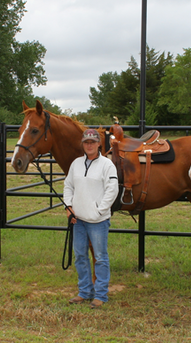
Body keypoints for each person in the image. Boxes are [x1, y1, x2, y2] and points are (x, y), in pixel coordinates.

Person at [63, 129, 119, 309]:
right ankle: (85, 291)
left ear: (99, 144)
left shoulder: (107, 165)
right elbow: (68, 185)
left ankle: (100, 294)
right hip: (78, 219)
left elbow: (112, 190)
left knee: (101, 257)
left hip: (98, 220)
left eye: (92, 142)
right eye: (86, 142)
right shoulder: (76, 164)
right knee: (80, 255)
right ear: (83, 144)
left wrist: (99, 210)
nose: (89, 145)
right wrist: (68, 206)